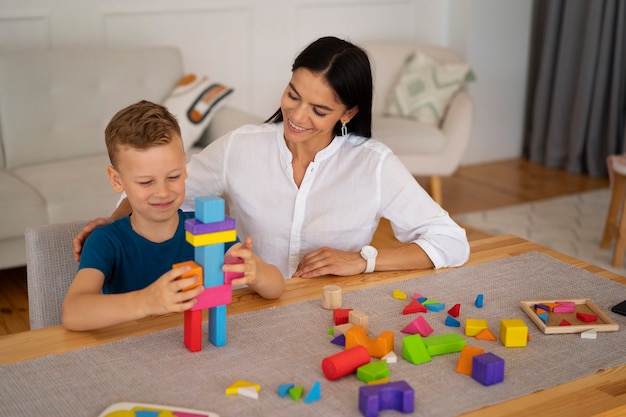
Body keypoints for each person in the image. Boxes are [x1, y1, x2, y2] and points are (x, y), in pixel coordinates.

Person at [73, 36, 469, 280]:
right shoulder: (242, 147)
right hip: (251, 305)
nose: (297, 117)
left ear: (347, 113)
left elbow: (452, 241)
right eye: (293, 96)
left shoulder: (374, 165)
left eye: (319, 110)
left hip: (332, 309)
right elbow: (168, 189)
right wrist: (111, 223)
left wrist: (363, 261)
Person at [63, 100, 284, 331]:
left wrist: (257, 272)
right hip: (130, 354)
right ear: (117, 180)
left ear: (185, 167)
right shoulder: (106, 241)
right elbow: (73, 312)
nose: (163, 192)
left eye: (173, 176)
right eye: (146, 182)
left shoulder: (207, 227)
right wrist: (148, 301)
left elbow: (276, 288)